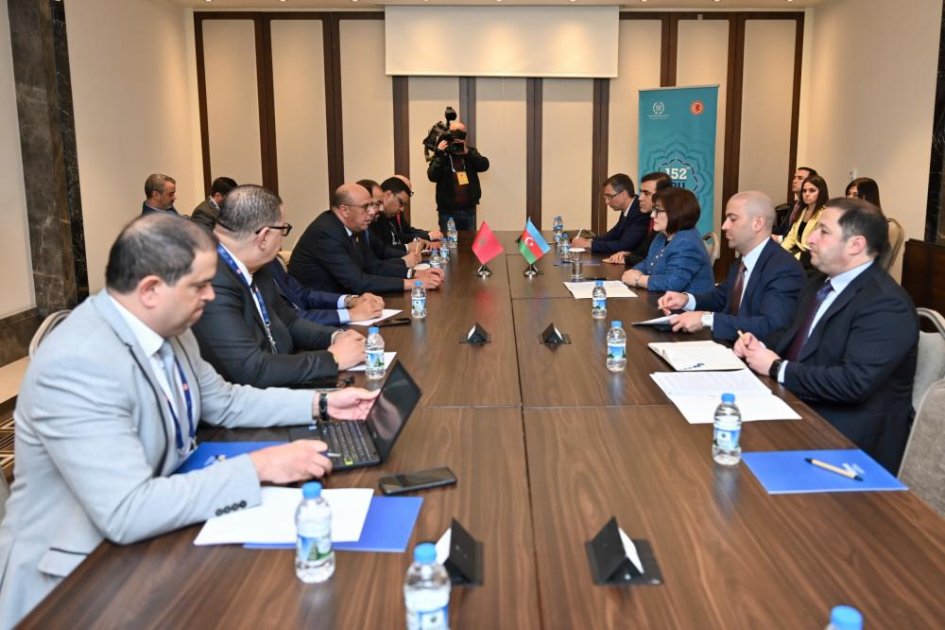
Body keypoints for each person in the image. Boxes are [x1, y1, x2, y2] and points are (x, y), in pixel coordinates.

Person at [0, 213, 379, 627]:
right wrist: (258, 467)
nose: (211, 296)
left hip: (150, 540)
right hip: (74, 584)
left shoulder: (168, 326)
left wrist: (323, 403)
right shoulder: (78, 362)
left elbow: (225, 402)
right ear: (150, 290)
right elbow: (126, 510)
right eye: (199, 286)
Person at [735, 197, 918, 473]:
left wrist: (776, 367)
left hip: (846, 442)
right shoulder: (820, 283)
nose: (810, 239)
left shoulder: (886, 304)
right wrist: (755, 343)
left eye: (823, 231)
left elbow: (853, 383)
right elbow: (793, 336)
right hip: (798, 406)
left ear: (856, 245)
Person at [191, 185, 365, 389]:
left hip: (283, 381)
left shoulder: (256, 264)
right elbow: (251, 369)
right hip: (254, 399)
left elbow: (289, 322)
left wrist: (335, 336)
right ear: (264, 237)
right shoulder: (210, 281)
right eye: (283, 230)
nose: (283, 238)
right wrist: (331, 360)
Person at [657, 191, 805, 342]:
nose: (724, 226)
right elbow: (722, 297)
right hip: (728, 345)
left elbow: (771, 326)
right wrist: (686, 299)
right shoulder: (743, 260)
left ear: (757, 223)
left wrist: (706, 319)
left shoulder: (784, 268)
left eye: (732, 219)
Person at [288, 183, 444, 294]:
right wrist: (414, 284)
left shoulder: (355, 226)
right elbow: (358, 282)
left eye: (372, 205)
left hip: (347, 298)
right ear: (344, 210)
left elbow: (373, 266)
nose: (372, 212)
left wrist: (414, 274)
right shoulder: (326, 233)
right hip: (320, 308)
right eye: (365, 207)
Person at [620, 187, 714, 294]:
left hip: (690, 303)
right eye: (653, 210)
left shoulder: (686, 243)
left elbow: (673, 283)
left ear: (676, 213)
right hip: (664, 298)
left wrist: (638, 279)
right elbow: (648, 262)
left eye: (657, 211)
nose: (652, 215)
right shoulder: (662, 236)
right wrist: (635, 271)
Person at [268, 257, 385, 326]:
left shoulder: (271, 262)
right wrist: (351, 314)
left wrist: (350, 301)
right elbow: (289, 319)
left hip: (312, 330)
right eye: (281, 229)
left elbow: (304, 295)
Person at [426, 120, 489, 233]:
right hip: (447, 212)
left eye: (461, 133)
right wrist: (440, 155)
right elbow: (432, 176)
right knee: (449, 243)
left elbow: (484, 165)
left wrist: (467, 152)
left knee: (469, 242)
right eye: (454, 132)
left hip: (469, 210)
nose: (457, 136)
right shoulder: (443, 154)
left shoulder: (469, 152)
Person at [599, 171, 673, 266]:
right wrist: (629, 254)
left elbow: (658, 262)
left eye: (646, 193)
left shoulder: (669, 224)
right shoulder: (653, 219)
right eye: (641, 192)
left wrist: (630, 259)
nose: (640, 198)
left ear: (664, 195)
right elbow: (646, 253)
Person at [571, 173, 648, 257]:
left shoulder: (640, 211)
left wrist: (589, 245)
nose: (606, 202)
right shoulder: (629, 207)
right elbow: (614, 234)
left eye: (609, 196)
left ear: (624, 194)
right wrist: (590, 240)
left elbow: (624, 245)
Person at [781, 173, 829, 268]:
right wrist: (780, 252)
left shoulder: (825, 213)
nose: (806, 194)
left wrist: (793, 257)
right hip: (798, 252)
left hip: (812, 257)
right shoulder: (803, 210)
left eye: (812, 191)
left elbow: (816, 244)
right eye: (804, 191)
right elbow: (791, 237)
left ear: (821, 192)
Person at [774, 166, 817, 238]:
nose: (794, 181)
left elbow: (801, 235)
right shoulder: (795, 204)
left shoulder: (811, 207)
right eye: (794, 178)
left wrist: (779, 238)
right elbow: (783, 229)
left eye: (800, 178)